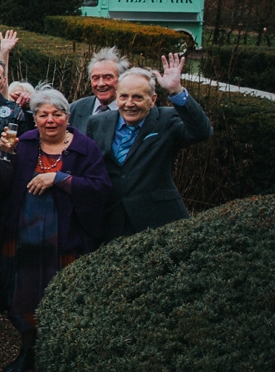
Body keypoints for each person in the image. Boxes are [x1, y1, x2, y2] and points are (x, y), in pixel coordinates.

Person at [0, 87, 111, 372]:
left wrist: (60, 178)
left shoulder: (84, 148)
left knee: (60, 293)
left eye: (56, 114)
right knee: (23, 292)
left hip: (65, 236)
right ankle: (27, 350)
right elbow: (1, 187)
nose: (49, 120)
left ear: (67, 117)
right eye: (43, 114)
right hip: (24, 234)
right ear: (34, 119)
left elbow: (101, 189)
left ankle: (53, 359)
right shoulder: (25, 143)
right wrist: (6, 156)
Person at [86, 57, 213, 241]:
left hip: (158, 221)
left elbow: (202, 132)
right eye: (124, 96)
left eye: (138, 97)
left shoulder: (166, 120)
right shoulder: (97, 122)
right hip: (110, 221)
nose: (129, 103)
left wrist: (176, 91)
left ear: (152, 100)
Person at [69, 47, 129, 133]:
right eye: (95, 78)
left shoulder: (130, 111)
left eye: (107, 78)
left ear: (121, 79)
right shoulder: (75, 109)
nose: (101, 84)